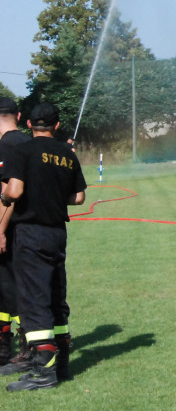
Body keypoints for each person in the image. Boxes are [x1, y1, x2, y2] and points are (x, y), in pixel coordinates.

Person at [0, 103, 87, 390]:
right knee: (55, 296)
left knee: (33, 300)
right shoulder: (67, 153)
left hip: (30, 233)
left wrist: (4, 194)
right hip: (56, 233)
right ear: (57, 125)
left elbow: (14, 191)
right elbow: (78, 199)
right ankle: (61, 363)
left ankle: (43, 371)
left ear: (29, 125)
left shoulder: (22, 150)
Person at [0, 97, 29, 367]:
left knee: (9, 288)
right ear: (18, 115)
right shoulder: (27, 142)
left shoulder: (7, 145)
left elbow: (8, 194)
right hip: (26, 229)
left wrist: (0, 230)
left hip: (11, 228)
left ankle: (16, 348)